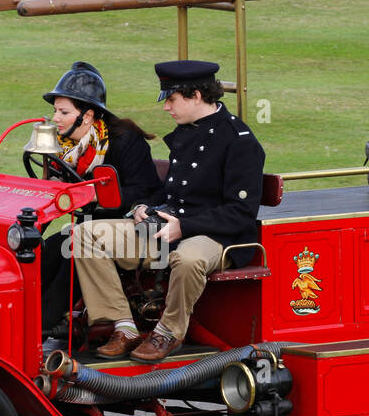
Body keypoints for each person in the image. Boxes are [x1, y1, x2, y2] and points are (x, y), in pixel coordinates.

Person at [72, 60, 265, 362]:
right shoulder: (187, 131)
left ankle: (169, 331)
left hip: (217, 235)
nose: (166, 108)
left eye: (172, 100)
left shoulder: (239, 141)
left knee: (188, 258)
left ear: (196, 96)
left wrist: (183, 226)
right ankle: (123, 325)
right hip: (169, 225)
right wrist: (144, 207)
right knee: (84, 234)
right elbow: (174, 190)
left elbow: (239, 212)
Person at [37, 62, 161, 344]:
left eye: (64, 112)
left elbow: (147, 192)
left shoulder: (125, 141)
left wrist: (95, 194)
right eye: (55, 110)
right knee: (47, 250)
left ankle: (43, 325)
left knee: (72, 253)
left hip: (134, 228)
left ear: (87, 115)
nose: (56, 118)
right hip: (88, 227)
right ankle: (28, 316)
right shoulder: (63, 146)